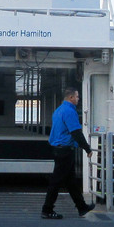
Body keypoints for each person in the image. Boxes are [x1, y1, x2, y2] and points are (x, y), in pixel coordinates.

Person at [41, 87, 96, 219]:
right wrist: (87, 148)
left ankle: (81, 207)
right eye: (77, 97)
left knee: (71, 181)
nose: (78, 99)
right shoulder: (70, 111)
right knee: (56, 181)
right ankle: (47, 209)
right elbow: (76, 132)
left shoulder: (58, 110)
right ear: (71, 98)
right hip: (65, 150)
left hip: (58, 148)